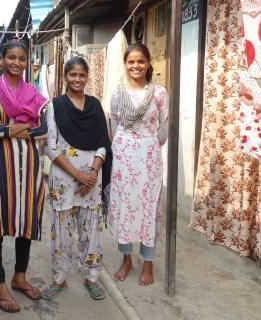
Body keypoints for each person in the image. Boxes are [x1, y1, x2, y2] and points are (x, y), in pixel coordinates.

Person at [0, 40, 48, 313]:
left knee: (26, 219)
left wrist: (11, 126)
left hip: (29, 165)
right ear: (1, 60)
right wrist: (24, 126)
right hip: (0, 166)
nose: (17, 63)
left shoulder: (33, 92)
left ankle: (19, 276)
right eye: (11, 57)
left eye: (22, 58)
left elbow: (43, 130)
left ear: (27, 61)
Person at [41, 57, 112, 301]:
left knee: (91, 229)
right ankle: (59, 279)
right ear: (66, 77)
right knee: (60, 231)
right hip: (64, 179)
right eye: (73, 75)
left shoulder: (95, 106)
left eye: (82, 75)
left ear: (87, 76)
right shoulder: (55, 106)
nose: (78, 79)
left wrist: (91, 174)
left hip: (92, 179)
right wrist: (78, 174)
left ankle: (91, 277)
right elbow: (50, 147)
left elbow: (103, 142)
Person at [108, 43, 168, 286]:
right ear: (126, 65)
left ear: (148, 63)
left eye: (140, 61)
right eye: (131, 62)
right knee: (125, 205)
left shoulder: (160, 93)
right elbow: (114, 125)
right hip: (123, 157)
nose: (136, 66)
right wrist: (125, 147)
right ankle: (126, 259)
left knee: (148, 207)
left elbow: (163, 128)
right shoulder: (117, 93)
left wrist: (147, 144)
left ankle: (148, 263)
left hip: (148, 158)